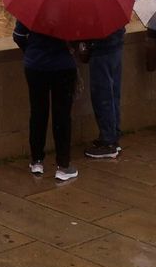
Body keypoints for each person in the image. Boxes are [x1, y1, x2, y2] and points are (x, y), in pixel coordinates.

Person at [12, 20, 79, 180]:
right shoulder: (70, 12)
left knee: (38, 113)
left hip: (35, 66)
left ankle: (37, 161)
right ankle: (63, 166)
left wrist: (32, 51)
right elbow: (78, 38)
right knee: (62, 116)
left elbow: (18, 36)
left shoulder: (34, 7)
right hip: (63, 67)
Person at [83, 25, 126, 159]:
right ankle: (113, 136)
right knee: (113, 95)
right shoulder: (113, 7)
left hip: (102, 51)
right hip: (115, 47)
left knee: (102, 97)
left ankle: (108, 143)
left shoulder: (94, 11)